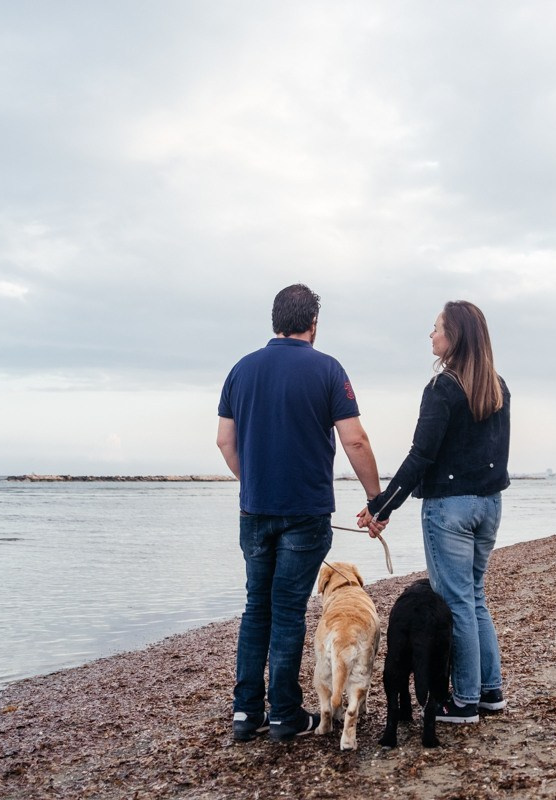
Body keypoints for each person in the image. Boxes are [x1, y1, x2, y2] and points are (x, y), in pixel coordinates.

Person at [217, 283, 384, 743]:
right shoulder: (327, 369)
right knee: (288, 611)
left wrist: (251, 482)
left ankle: (246, 713)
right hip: (306, 513)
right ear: (314, 324)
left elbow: (225, 443)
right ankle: (285, 714)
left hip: (254, 511)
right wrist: (376, 500)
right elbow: (355, 440)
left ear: (275, 321)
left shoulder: (241, 370)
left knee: (257, 607)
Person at [358, 300, 510, 723]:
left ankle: (463, 701)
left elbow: (421, 456)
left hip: (450, 510)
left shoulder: (443, 388)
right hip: (489, 505)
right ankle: (489, 690)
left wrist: (381, 507)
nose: (431, 334)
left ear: (454, 336)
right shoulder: (498, 387)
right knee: (474, 597)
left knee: (458, 603)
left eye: (437, 328)